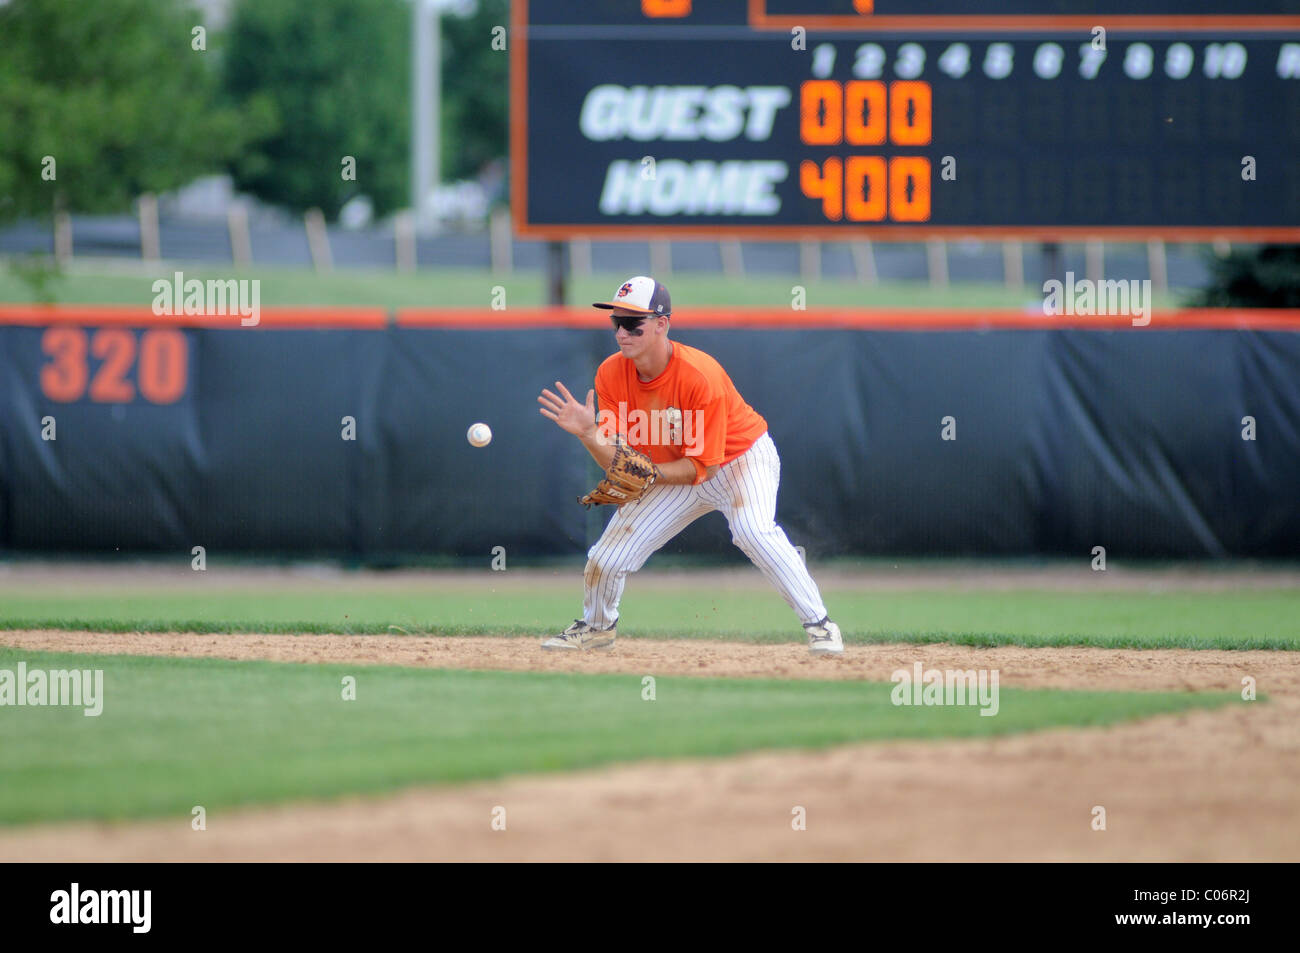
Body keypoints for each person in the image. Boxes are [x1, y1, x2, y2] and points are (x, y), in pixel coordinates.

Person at [536, 276, 844, 656]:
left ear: (662, 324)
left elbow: (704, 468)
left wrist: (646, 474)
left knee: (752, 531)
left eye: (634, 324)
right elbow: (617, 461)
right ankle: (597, 627)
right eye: (617, 322)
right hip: (671, 470)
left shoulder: (699, 375)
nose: (622, 332)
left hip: (740, 460)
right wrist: (588, 433)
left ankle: (820, 624)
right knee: (606, 557)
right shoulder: (610, 374)